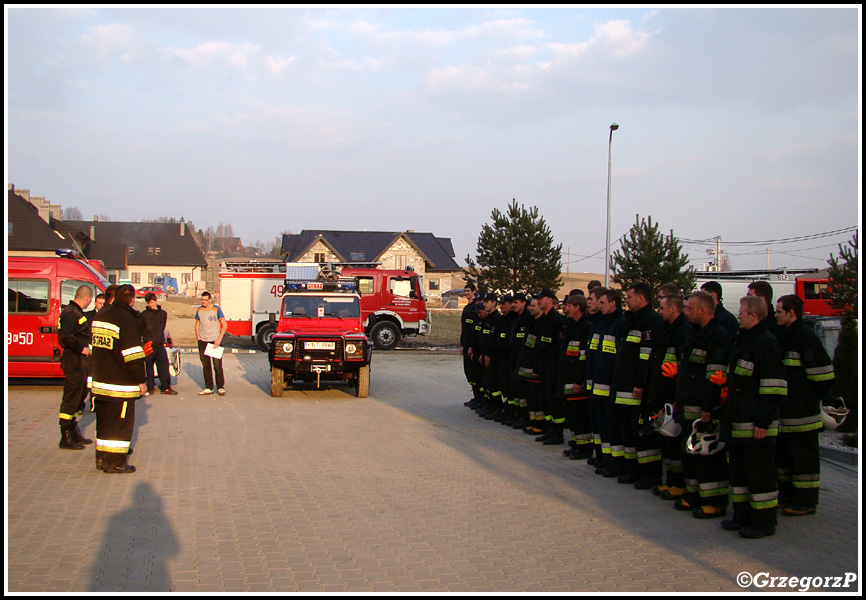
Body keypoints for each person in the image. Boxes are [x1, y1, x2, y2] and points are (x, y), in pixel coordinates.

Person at [720, 295, 787, 538]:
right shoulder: (745, 340)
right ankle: (742, 516)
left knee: (760, 477)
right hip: (738, 424)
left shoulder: (766, 343)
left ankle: (764, 522)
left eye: (741, 312)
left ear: (754, 316)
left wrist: (763, 422)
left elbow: (775, 388)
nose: (738, 316)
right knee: (739, 474)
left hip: (756, 427)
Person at [668, 291, 732, 519]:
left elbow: (715, 377)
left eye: (689, 309)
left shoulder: (717, 337)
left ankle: (715, 501)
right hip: (687, 407)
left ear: (702, 310)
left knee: (708, 459)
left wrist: (708, 408)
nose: (686, 312)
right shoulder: (695, 334)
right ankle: (695, 494)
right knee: (690, 454)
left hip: (703, 412)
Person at [774, 294, 834, 517]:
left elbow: (825, 376)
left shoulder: (805, 337)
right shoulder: (782, 335)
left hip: (802, 414)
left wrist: (806, 398)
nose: (776, 315)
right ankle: (788, 494)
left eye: (779, 311)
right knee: (785, 458)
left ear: (792, 313)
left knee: (803, 461)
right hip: (786, 413)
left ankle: (806, 500)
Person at [90, 284, 148, 473]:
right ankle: (115, 462)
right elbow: (132, 355)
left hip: (100, 381)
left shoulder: (100, 316)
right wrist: (141, 380)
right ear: (131, 299)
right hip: (120, 384)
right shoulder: (126, 320)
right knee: (120, 425)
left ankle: (102, 458)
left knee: (104, 423)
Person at [612, 282, 664, 487]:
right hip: (624, 386)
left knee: (640, 433)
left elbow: (647, 358)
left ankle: (649, 475)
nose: (627, 300)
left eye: (630, 297)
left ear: (641, 299)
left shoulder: (651, 321)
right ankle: (631, 470)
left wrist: (640, 383)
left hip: (637, 389)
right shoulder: (630, 320)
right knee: (627, 432)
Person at [644, 294, 690, 496]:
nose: (659, 311)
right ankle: (671, 481)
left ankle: (678, 484)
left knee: (673, 442)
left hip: (672, 393)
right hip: (661, 391)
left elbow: (684, 365)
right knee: (666, 441)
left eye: (662, 307)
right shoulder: (667, 329)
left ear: (673, 309)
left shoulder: (682, 331)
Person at [585, 288, 624, 477]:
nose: (599, 306)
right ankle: (602, 457)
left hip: (608, 386)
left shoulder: (618, 324)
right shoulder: (601, 324)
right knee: (600, 425)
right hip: (597, 383)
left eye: (602, 303)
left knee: (611, 428)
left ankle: (614, 463)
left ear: (613, 304)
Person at [58, 285, 95, 450]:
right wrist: (82, 349)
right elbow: (66, 336)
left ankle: (73, 431)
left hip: (80, 363)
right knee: (71, 399)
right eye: (90, 300)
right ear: (87, 298)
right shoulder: (71, 313)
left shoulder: (76, 312)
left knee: (78, 398)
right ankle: (66, 436)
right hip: (74, 361)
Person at [560, 294, 594, 459]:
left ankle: (584, 447)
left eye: (570, 306)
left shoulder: (585, 328)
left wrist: (578, 380)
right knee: (572, 415)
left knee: (580, 416)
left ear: (578, 308)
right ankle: (576, 443)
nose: (566, 309)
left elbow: (583, 357)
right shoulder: (572, 326)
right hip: (568, 377)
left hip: (576, 380)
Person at [533, 289, 567, 445]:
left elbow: (560, 346)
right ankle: (550, 429)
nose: (539, 301)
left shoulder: (557, 320)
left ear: (549, 300)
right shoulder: (543, 319)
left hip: (553, 366)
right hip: (543, 365)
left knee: (554, 401)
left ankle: (558, 432)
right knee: (545, 399)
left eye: (541, 299)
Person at [141, 292, 178, 395]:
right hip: (149, 345)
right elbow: (141, 328)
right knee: (149, 367)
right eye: (148, 303)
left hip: (160, 345)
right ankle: (150, 387)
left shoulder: (163, 314)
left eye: (152, 302)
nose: (150, 305)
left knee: (163, 366)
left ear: (156, 301)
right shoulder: (143, 315)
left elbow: (162, 327)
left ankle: (166, 387)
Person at [195, 291, 228, 396]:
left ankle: (220, 387)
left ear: (210, 300)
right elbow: (197, 323)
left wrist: (219, 339)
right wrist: (198, 336)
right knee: (206, 365)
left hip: (214, 341)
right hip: (203, 340)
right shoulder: (199, 310)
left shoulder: (216, 309)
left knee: (217, 365)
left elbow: (224, 324)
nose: (204, 302)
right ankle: (209, 387)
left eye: (206, 300)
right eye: (202, 299)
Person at [460, 283, 482, 407]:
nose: (467, 293)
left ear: (474, 291)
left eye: (469, 291)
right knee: (469, 372)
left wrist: (472, 347)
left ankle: (480, 398)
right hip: (466, 344)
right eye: (465, 291)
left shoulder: (476, 308)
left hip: (473, 346)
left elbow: (475, 330)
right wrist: (463, 345)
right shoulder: (466, 308)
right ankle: (475, 396)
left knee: (475, 372)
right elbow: (465, 329)